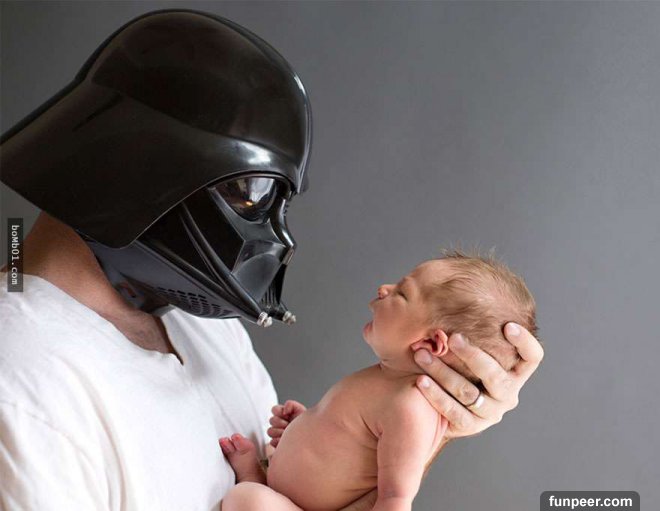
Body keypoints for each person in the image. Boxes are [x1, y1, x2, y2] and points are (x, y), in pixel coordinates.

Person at [0, 9, 544, 511]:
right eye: (253, 193)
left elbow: (311, 491)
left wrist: (435, 414)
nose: (274, 233)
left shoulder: (203, 327)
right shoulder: (24, 384)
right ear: (146, 170)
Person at [218, 252, 538, 510]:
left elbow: (396, 497)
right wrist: (302, 427)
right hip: (291, 493)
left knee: (248, 502)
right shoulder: (386, 377)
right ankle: (257, 476)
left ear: (431, 344)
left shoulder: (411, 407)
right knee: (257, 488)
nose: (384, 288)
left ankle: (252, 480)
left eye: (402, 293)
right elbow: (351, 441)